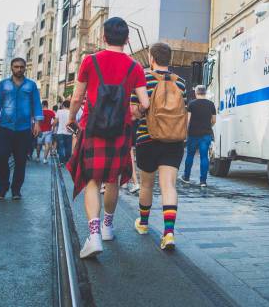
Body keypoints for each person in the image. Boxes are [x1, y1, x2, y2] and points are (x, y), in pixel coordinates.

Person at [67, 17, 149, 259]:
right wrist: (136, 112)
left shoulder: (90, 61)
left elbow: (77, 97)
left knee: (92, 180)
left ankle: (93, 236)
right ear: (127, 39)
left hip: (92, 128)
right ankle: (107, 228)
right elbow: (145, 102)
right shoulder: (135, 67)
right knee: (112, 179)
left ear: (103, 37)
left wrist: (71, 118)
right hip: (119, 130)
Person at [131, 42, 187, 251]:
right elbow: (185, 114)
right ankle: (169, 233)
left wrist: (140, 109)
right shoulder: (180, 82)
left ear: (151, 58)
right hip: (173, 141)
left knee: (146, 184)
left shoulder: (142, 79)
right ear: (169, 59)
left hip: (147, 138)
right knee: (169, 186)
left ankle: (143, 223)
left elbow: (133, 113)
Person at [0, 58, 43, 200]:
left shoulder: (31, 86)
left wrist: (37, 123)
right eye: (16, 67)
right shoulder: (4, 84)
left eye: (21, 67)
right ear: (11, 68)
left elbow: (37, 104)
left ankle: (16, 190)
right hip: (5, 127)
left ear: (25, 68)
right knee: (1, 158)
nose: (19, 69)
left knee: (20, 160)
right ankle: (3, 187)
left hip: (24, 128)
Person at [180, 85, 216, 187]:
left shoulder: (192, 104)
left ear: (196, 93)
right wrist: (208, 126)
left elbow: (188, 120)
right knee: (204, 157)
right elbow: (214, 120)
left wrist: (185, 132)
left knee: (190, 155)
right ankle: (203, 181)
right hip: (206, 134)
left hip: (193, 134)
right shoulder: (211, 104)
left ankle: (186, 177)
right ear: (205, 93)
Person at [54, 100, 73, 165]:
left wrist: (53, 127)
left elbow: (55, 121)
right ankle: (67, 160)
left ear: (63, 105)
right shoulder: (71, 112)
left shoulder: (59, 111)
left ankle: (61, 161)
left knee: (61, 147)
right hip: (69, 132)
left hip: (60, 132)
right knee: (68, 147)